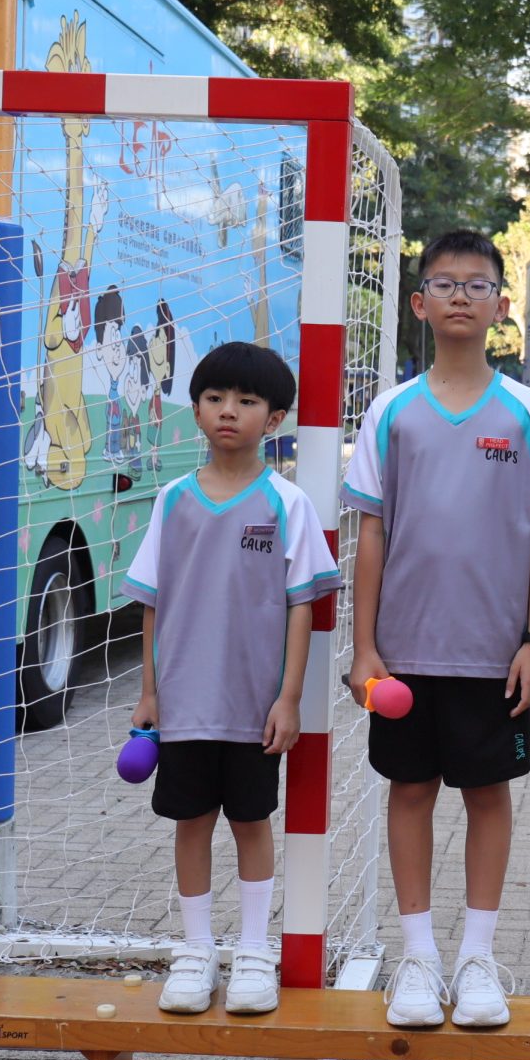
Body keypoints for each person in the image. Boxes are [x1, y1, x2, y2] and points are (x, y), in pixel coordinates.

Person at [345, 231, 530, 1030]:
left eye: (477, 284)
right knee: (410, 790)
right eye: (444, 283)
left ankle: (477, 957)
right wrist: (365, 648)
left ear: (502, 306)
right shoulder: (391, 412)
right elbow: (371, 532)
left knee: (487, 793)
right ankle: (418, 956)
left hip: (494, 655)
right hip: (403, 657)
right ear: (419, 303)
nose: (459, 295)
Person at [128, 340, 340, 1016]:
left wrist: (289, 698)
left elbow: (302, 605)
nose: (228, 411)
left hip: (254, 707)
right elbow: (153, 603)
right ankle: (196, 951)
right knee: (191, 822)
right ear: (195, 410)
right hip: (184, 704)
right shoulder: (172, 500)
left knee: (252, 821)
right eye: (215, 398)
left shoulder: (287, 503)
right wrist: (150, 692)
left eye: (246, 401)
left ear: (273, 419)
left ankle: (253, 952)